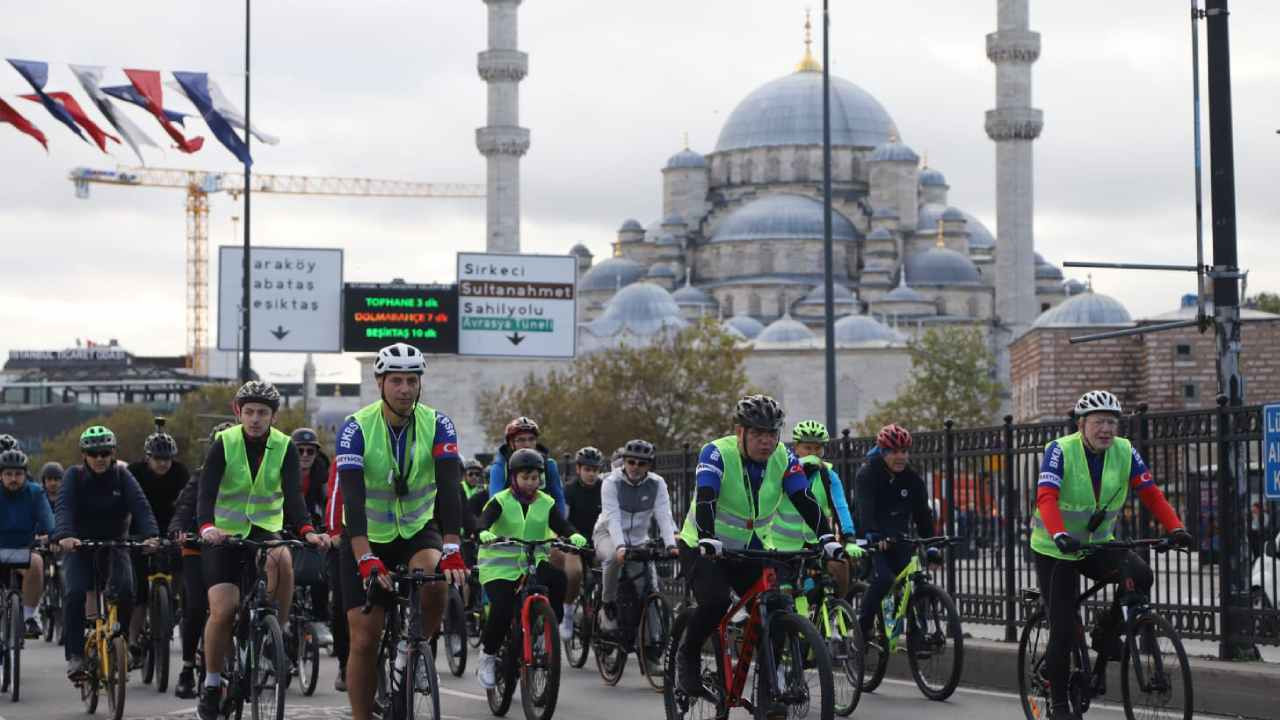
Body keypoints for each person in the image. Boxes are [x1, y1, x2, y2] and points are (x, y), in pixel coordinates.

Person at [1032, 391, 1192, 720]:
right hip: (1055, 549)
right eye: (1098, 422)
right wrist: (1060, 534)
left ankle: (1105, 634)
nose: (1106, 429)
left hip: (1098, 544)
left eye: (1112, 422)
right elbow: (1047, 497)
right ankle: (1059, 704)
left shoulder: (1124, 451)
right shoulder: (1060, 450)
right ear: (1081, 424)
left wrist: (1176, 528)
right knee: (1062, 629)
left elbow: (1150, 493)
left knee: (1141, 575)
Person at [675, 394, 846, 699]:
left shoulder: (782, 457)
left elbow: (804, 498)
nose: (766, 442)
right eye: (757, 434)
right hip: (703, 545)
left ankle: (768, 685)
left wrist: (827, 538)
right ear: (740, 431)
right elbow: (706, 496)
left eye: (771, 434)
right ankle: (686, 655)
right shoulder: (715, 453)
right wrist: (706, 535)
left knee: (777, 607)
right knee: (715, 602)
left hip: (748, 546)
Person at [335, 343, 467, 720]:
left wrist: (453, 544)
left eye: (412, 380)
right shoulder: (356, 427)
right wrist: (365, 557)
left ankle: (411, 652)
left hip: (415, 528)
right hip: (366, 535)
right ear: (380, 382)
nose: (405, 389)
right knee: (363, 638)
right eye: (396, 381)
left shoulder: (438, 424)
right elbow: (353, 499)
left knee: (437, 581)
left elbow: (449, 486)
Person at [195, 383, 331, 720]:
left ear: (274, 415)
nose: (255, 419)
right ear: (237, 411)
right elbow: (206, 493)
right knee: (223, 611)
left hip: (264, 527)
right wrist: (207, 528)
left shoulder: (284, 446)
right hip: (223, 534)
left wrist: (308, 531)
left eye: (263, 413)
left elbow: (294, 497)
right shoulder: (224, 443)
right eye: (250, 412)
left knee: (283, 557)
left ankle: (276, 636)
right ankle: (213, 682)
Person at [53, 425, 161, 680]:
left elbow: (141, 506)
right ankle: (76, 655)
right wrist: (65, 535)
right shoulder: (73, 476)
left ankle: (119, 638)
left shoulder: (123, 477)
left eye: (104, 453)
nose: (99, 458)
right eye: (93, 453)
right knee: (75, 592)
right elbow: (64, 507)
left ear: (113, 453)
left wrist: (151, 535)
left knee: (126, 590)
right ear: (84, 456)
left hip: (115, 543)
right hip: (79, 545)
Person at [474, 448, 586, 689]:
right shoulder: (500, 500)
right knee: (503, 607)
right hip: (499, 567)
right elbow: (484, 520)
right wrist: (482, 531)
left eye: (535, 478)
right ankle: (488, 655)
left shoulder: (546, 503)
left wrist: (574, 535)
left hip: (532, 561)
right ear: (514, 478)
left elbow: (561, 523)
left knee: (558, 579)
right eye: (525, 477)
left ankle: (545, 628)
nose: (530, 483)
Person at [486, 417, 582, 622]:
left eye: (531, 439)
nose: (526, 444)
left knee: (566, 566)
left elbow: (558, 499)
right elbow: (494, 502)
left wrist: (560, 531)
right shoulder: (500, 467)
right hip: (509, 530)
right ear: (511, 443)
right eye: (520, 440)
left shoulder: (548, 465)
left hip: (542, 527)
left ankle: (556, 617)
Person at [853, 423, 934, 640]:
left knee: (912, 579)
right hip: (872, 536)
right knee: (884, 579)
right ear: (882, 452)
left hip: (898, 536)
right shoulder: (867, 474)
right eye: (894, 452)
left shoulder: (912, 479)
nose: (900, 457)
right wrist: (871, 533)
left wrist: (932, 544)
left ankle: (916, 635)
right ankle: (864, 629)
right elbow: (864, 507)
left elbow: (922, 515)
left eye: (904, 452)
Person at [167, 422, 229, 699]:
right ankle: (188, 666)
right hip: (197, 548)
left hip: (231, 547)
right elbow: (184, 506)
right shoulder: (201, 476)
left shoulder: (250, 477)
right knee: (195, 607)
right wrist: (179, 530)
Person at [594, 440, 677, 632]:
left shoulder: (657, 484)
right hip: (607, 534)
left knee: (650, 588)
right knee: (614, 558)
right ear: (624, 461)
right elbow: (613, 519)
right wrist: (620, 547)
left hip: (639, 539)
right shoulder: (610, 483)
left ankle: (653, 642)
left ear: (649, 465)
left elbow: (664, 517)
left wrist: (671, 545)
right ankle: (608, 604)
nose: (635, 468)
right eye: (631, 462)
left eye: (641, 464)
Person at [772, 420, 861, 598]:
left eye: (817, 448)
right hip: (782, 546)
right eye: (808, 448)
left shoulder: (828, 475)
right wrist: (798, 468)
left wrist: (850, 537)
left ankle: (831, 615)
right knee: (785, 594)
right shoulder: (783, 470)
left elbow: (841, 507)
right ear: (797, 448)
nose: (813, 453)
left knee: (832, 577)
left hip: (814, 544)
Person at [126, 418, 190, 667]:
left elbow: (186, 504)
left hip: (172, 531)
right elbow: (127, 506)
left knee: (181, 568)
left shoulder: (180, 472)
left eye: (167, 459)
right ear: (147, 457)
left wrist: (183, 531)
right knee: (138, 591)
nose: (163, 464)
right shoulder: (134, 473)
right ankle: (133, 642)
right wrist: (132, 536)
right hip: (139, 533)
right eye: (158, 459)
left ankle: (173, 604)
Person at [0, 448, 54, 638]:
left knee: (37, 563)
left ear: (25, 474)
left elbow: (49, 521)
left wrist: (55, 537)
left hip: (24, 548)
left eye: (18, 474)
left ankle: (29, 616)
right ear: (1, 475)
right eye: (8, 474)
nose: (13, 478)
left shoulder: (35, 492)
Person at [290, 427, 334, 648]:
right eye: (300, 451)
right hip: (286, 527)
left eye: (310, 451)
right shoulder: (282, 470)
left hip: (314, 529)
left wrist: (328, 530)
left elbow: (330, 503)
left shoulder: (323, 474)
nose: (305, 456)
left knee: (320, 571)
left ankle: (320, 619)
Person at [561, 446, 605, 638]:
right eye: (587, 469)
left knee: (610, 571)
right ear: (578, 469)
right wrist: (568, 538)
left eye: (595, 470)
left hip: (597, 541)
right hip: (574, 542)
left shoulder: (605, 488)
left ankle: (603, 612)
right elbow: (563, 517)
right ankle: (568, 612)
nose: (591, 474)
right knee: (575, 573)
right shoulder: (569, 490)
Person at [322, 457, 350, 692]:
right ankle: (345, 662)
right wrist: (334, 533)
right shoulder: (343, 456)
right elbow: (335, 496)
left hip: (387, 534)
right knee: (343, 603)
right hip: (346, 537)